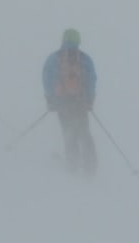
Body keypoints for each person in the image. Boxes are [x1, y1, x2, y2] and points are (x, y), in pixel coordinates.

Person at [42, 28, 98, 175]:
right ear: (78, 41)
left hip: (62, 104)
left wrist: (50, 100)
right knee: (84, 133)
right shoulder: (85, 59)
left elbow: (47, 79)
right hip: (80, 103)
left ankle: (72, 167)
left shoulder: (54, 58)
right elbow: (92, 80)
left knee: (69, 135)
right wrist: (90, 100)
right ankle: (90, 167)